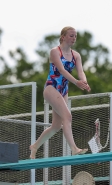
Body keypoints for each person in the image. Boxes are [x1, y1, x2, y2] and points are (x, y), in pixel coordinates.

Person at [30, 26, 91, 159]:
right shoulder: (55, 52)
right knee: (67, 117)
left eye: (75, 36)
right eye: (71, 35)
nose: (74, 38)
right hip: (51, 87)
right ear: (63, 37)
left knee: (56, 126)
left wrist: (84, 82)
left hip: (63, 90)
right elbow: (62, 71)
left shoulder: (76, 55)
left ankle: (34, 146)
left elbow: (81, 72)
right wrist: (77, 82)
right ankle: (74, 149)